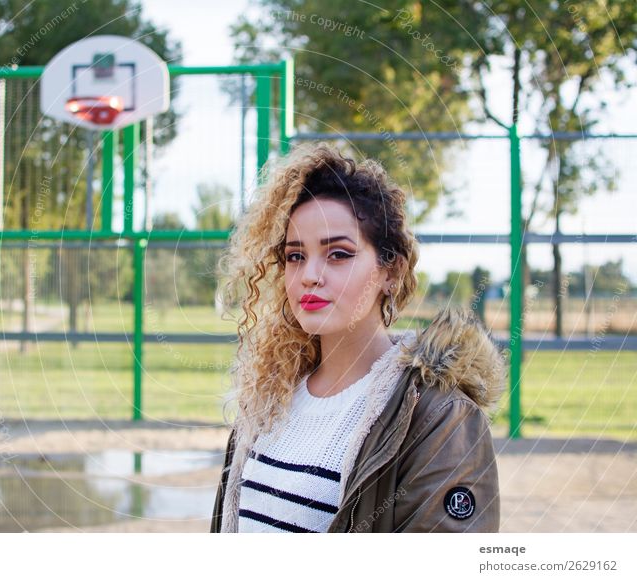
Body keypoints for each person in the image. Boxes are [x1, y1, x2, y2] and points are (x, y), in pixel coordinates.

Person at [210, 143, 506, 533]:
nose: (310, 275)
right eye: (296, 256)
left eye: (338, 255)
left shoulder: (438, 417)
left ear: (391, 271)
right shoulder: (267, 399)